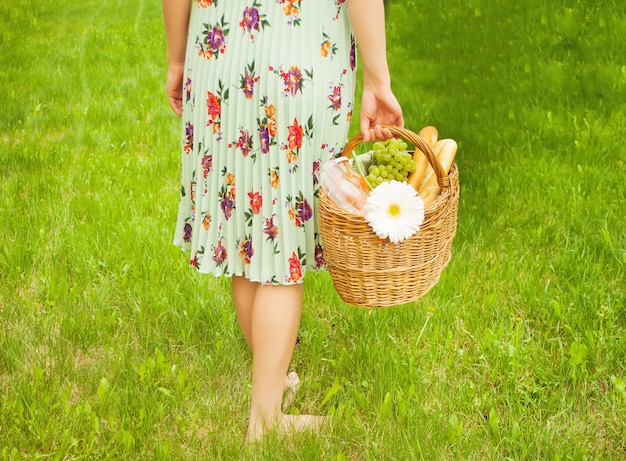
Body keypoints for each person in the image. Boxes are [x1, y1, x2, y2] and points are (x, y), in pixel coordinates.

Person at [162, 0, 403, 441]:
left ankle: (271, 380)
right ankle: (266, 420)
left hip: (219, 55)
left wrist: (177, 59)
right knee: (282, 243)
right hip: (303, 57)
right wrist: (378, 79)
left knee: (250, 233)